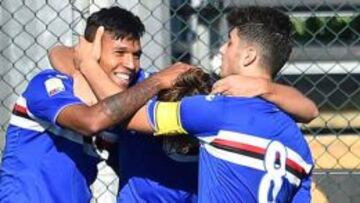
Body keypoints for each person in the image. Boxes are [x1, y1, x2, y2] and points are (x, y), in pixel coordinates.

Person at [126, 6, 314, 203]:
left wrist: (92, 65)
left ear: (248, 56)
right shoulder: (299, 144)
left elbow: (128, 117)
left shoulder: (216, 110)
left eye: (230, 42)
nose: (223, 49)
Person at [0, 7, 189, 203]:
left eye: (136, 55)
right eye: (120, 52)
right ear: (91, 51)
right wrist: (156, 81)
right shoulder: (48, 85)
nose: (131, 64)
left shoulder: (128, 91)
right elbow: (90, 121)